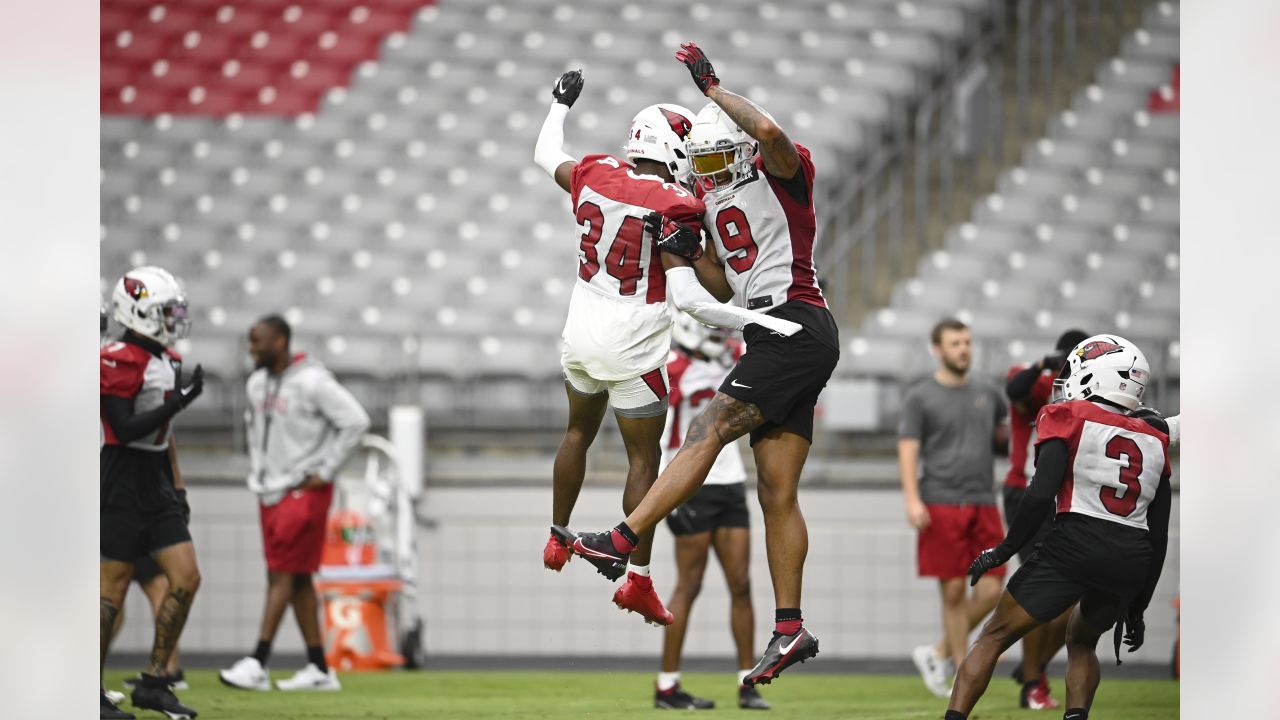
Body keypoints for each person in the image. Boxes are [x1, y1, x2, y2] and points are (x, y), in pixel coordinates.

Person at [560, 42, 840, 688]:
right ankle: (790, 626)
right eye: (702, 160)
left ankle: (623, 537)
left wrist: (713, 92)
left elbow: (769, 130)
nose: (709, 170)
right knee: (776, 492)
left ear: (738, 147)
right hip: (776, 333)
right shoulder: (711, 202)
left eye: (719, 155)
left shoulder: (782, 173)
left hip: (791, 323)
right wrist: (684, 254)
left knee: (707, 431)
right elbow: (719, 287)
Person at [534, 68, 801, 628]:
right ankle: (638, 579)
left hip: (579, 329)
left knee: (577, 432)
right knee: (643, 458)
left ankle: (557, 537)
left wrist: (560, 104)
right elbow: (706, 294)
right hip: (634, 339)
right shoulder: (679, 204)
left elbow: (545, 153)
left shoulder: (595, 171)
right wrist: (761, 323)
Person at [946, 335, 1173, 720]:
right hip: (1129, 557)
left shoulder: (1067, 416)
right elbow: (1160, 532)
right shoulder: (1155, 438)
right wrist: (1140, 605)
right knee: (1083, 642)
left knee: (994, 635)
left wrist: (1001, 550)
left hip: (1075, 542)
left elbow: (1039, 495)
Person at [218, 315, 370, 692]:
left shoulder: (314, 382)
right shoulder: (256, 384)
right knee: (299, 578)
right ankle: (319, 667)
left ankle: (258, 661)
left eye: (258, 341)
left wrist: (328, 468)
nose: (251, 348)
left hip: (304, 488)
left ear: (281, 340)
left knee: (280, 574)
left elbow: (356, 421)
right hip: (271, 488)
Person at [100, 266, 204, 720]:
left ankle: (155, 680)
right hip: (121, 475)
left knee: (185, 577)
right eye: (165, 311)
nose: (173, 319)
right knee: (113, 588)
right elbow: (122, 429)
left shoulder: (166, 359)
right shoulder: (117, 357)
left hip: (154, 477)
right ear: (137, 310)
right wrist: (180, 401)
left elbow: (163, 433)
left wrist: (175, 485)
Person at [652, 314, 769, 711]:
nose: (720, 338)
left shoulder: (733, 357)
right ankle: (667, 686)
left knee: (741, 584)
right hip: (689, 486)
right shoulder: (672, 366)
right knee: (690, 584)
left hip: (730, 481)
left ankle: (747, 682)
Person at [898, 318, 1009, 698]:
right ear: (938, 349)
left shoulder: (990, 394)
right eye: (955, 343)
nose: (964, 348)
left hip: (983, 501)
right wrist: (913, 499)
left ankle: (938, 652)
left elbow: (1003, 439)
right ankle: (964, 677)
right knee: (953, 594)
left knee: (993, 588)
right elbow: (908, 449)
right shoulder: (920, 397)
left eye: (967, 342)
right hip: (940, 501)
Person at [1001, 329, 1089, 709]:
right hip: (1027, 493)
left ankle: (1033, 669)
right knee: (1040, 591)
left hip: (1066, 499)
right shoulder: (1037, 380)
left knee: (1071, 601)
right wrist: (1044, 364)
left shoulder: (1089, 394)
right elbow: (1015, 389)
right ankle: (1033, 681)